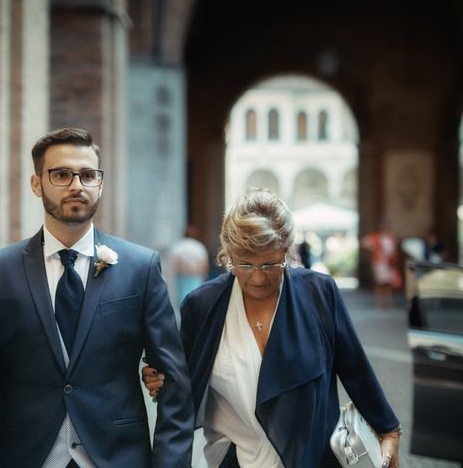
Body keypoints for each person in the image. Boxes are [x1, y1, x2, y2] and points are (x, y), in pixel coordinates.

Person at [0, 127, 194, 467]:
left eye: (88, 175)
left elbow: (174, 381)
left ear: (100, 185)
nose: (76, 185)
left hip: (118, 456)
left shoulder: (140, 267)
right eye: (61, 174)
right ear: (36, 184)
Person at [143, 188, 401, 468]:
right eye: (244, 263)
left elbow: (355, 368)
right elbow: (181, 387)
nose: (257, 278)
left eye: (270, 264)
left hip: (312, 457)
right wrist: (162, 379)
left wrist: (387, 429)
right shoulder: (201, 305)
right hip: (234, 458)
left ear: (288, 250)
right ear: (228, 254)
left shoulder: (319, 293)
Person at [168, 225, 210, 320]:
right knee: (196, 301)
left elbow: (173, 264)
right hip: (195, 277)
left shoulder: (178, 247)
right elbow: (204, 264)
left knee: (182, 302)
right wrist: (205, 278)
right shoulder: (198, 247)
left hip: (182, 278)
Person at [361, 220, 401, 308]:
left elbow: (394, 249)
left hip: (389, 263)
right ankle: (379, 301)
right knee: (379, 283)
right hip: (379, 263)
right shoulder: (376, 237)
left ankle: (389, 301)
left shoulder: (391, 238)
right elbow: (364, 243)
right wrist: (373, 249)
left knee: (388, 283)